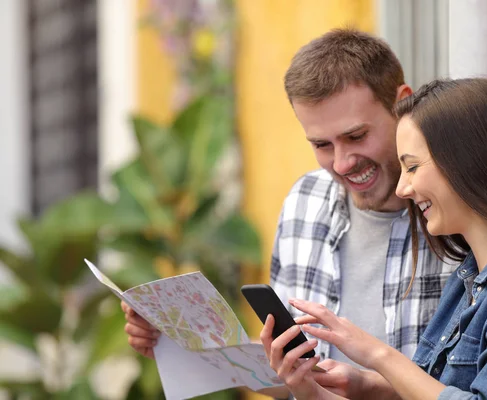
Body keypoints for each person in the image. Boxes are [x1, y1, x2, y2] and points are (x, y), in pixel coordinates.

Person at [122, 29, 455, 398]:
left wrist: (368, 388)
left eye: (356, 136)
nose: (342, 163)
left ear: (402, 105)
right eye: (321, 145)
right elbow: (291, 378)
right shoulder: (305, 201)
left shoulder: (458, 210)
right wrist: (175, 341)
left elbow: (480, 388)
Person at [262, 78, 487, 399]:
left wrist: (377, 355)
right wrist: (315, 393)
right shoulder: (467, 278)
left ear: (466, 162)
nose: (402, 189)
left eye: (412, 167)